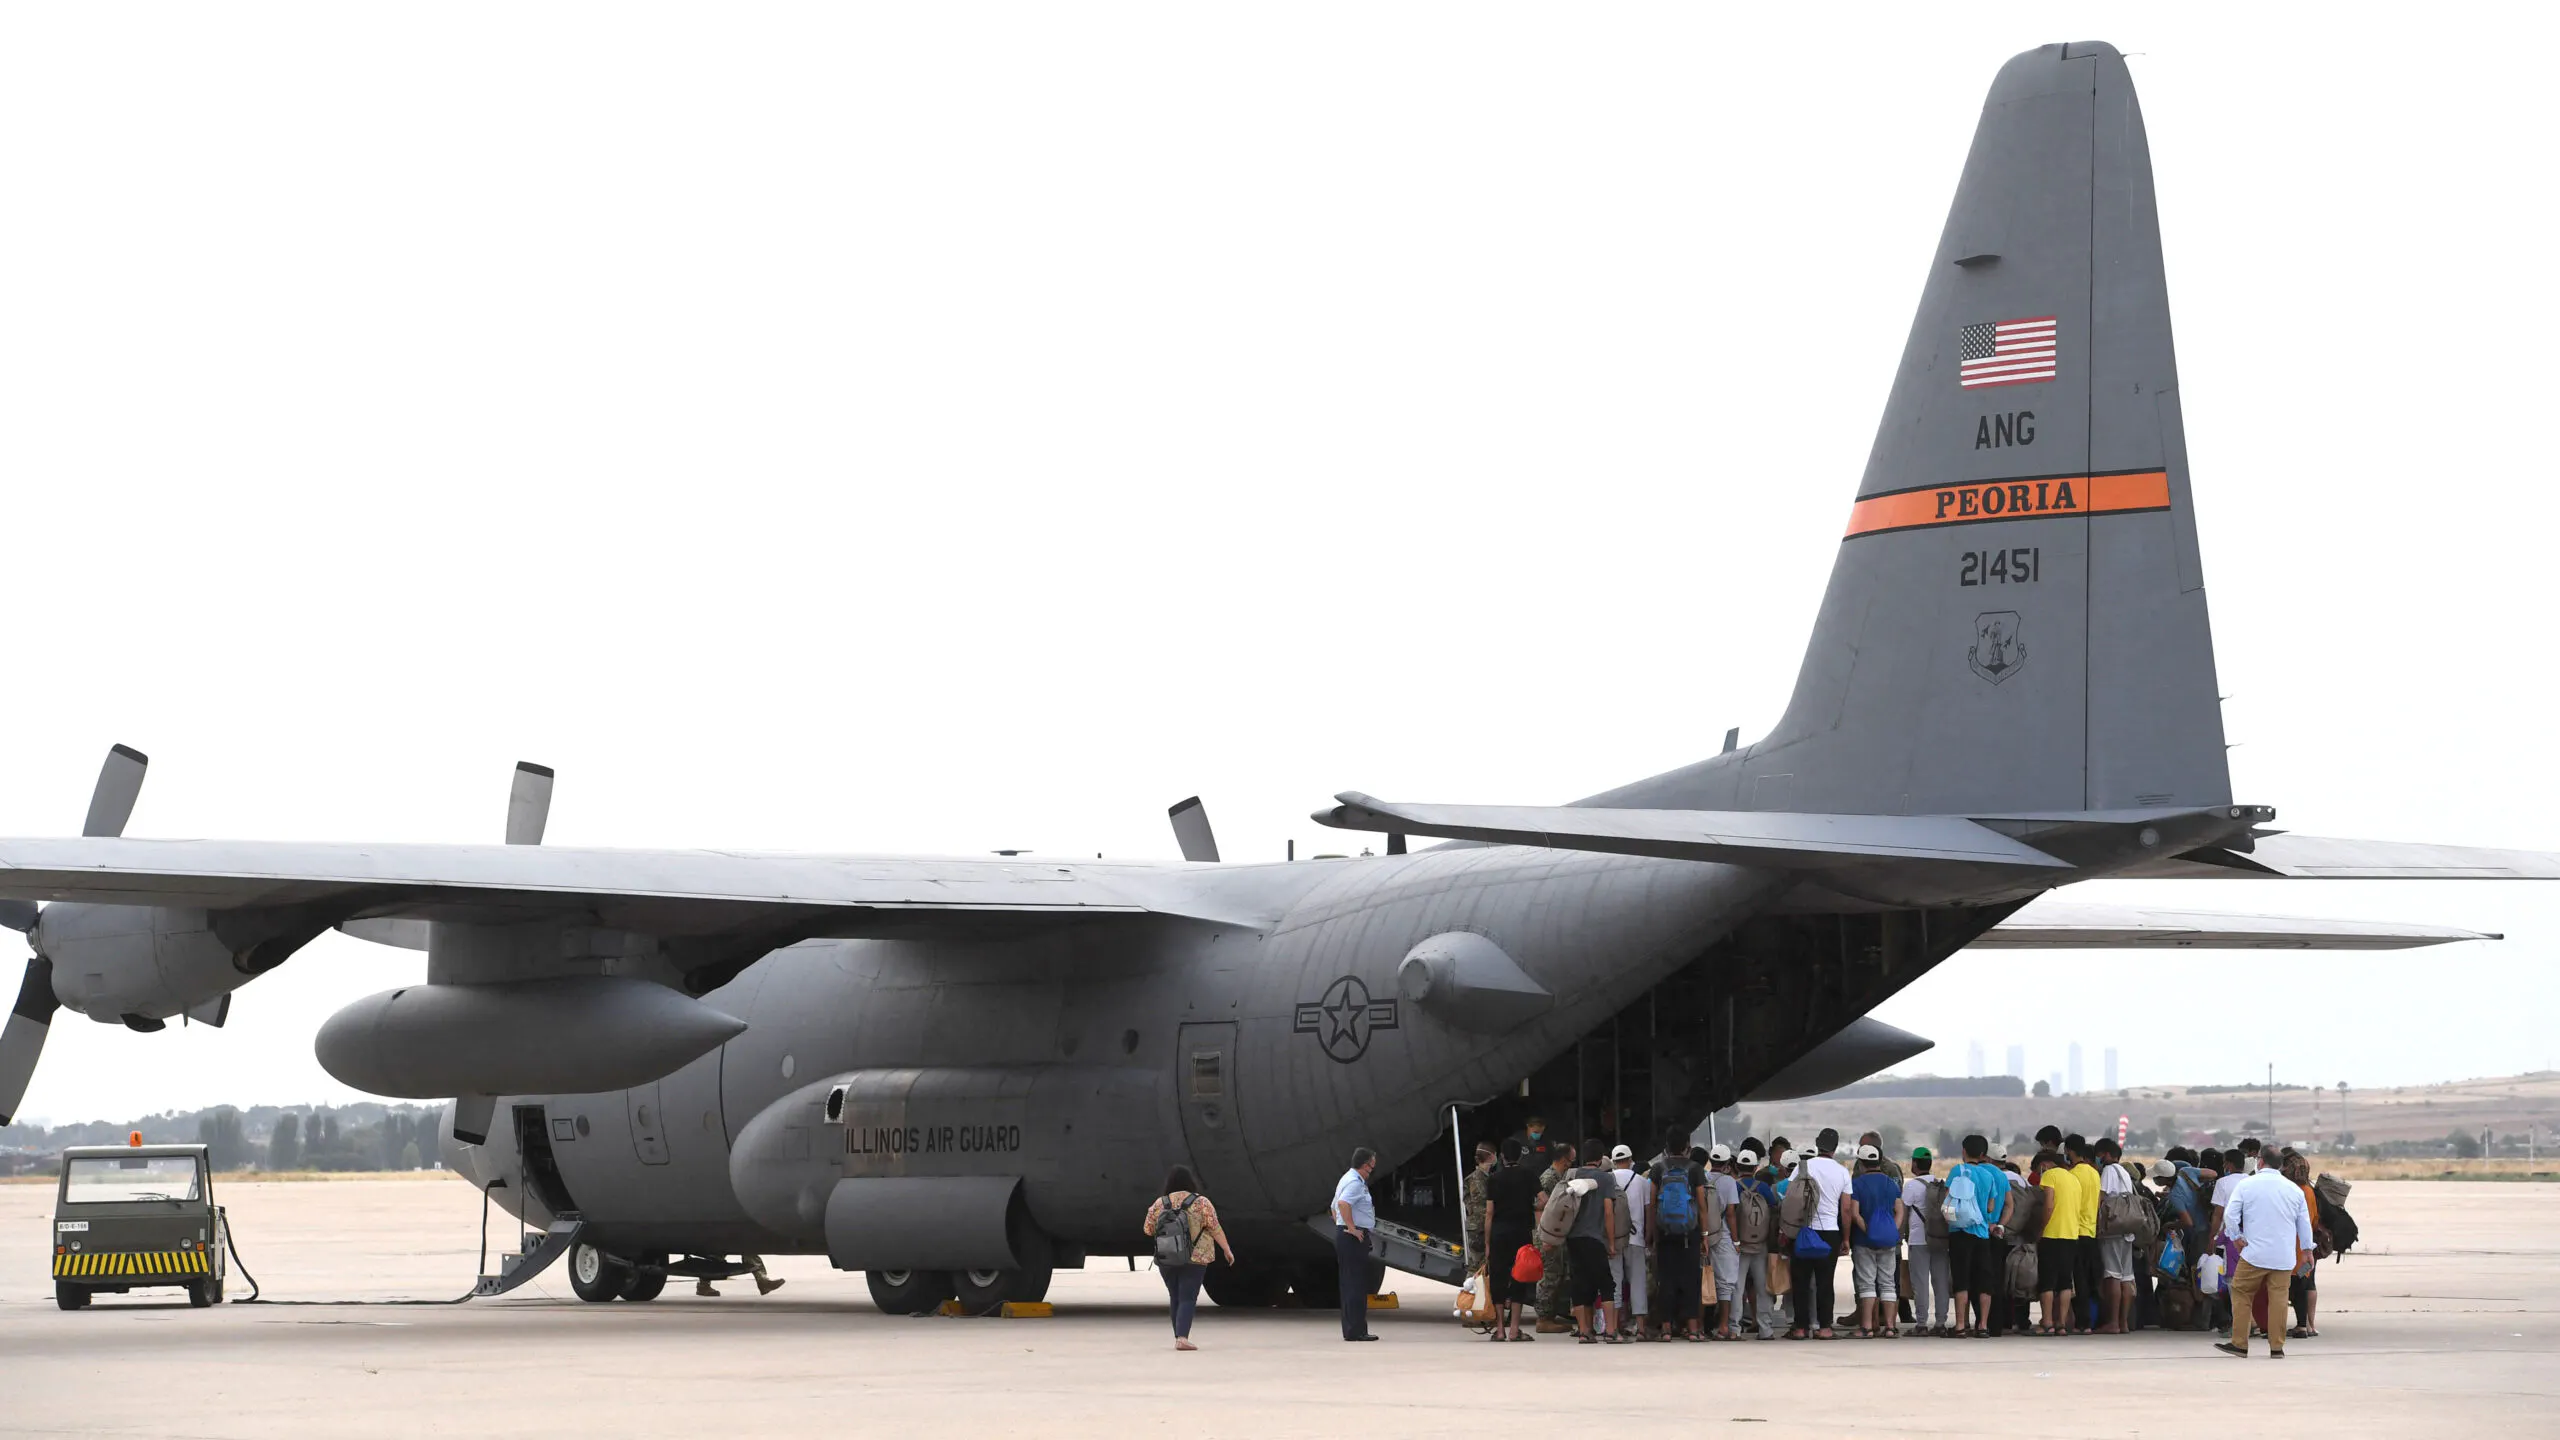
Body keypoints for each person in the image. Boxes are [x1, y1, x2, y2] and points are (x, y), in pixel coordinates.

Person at [2216, 1152, 2313, 1359]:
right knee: (2279, 1299)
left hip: (2254, 1254)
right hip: (2283, 1257)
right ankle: (2277, 1347)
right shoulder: (2294, 1190)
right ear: (2281, 1166)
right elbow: (2304, 1223)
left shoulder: (2246, 1185)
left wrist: (2235, 1237)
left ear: (2260, 1162)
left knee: (2241, 1292)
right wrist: (2307, 1250)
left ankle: (2240, 1343)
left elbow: (2230, 1215)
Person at [1143, 1165, 1235, 1350]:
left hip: (1167, 1257)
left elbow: (1148, 1229)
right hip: (1195, 1258)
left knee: (1175, 1296)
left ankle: (1179, 1336)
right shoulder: (1201, 1203)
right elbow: (1215, 1228)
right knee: (1188, 1297)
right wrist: (1227, 1250)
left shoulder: (1160, 1203)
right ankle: (1182, 1338)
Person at [1789, 1129, 1852, 1339]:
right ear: (1835, 1147)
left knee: (1801, 1281)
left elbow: (1790, 1198)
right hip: (1830, 1233)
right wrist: (1845, 1238)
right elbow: (1846, 1209)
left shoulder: (1802, 1167)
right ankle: (1825, 1327)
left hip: (1804, 1231)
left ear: (1817, 1144)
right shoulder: (1842, 1172)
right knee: (1825, 1281)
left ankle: (1800, 1327)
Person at [1647, 1127, 1708, 1341]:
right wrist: (1705, 1235)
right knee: (1690, 1280)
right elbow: (1702, 1206)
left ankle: (1666, 1328)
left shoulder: (1658, 1169)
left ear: (1666, 1146)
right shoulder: (1695, 1169)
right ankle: (1692, 1329)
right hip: (1690, 1232)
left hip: (1664, 1233)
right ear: (1687, 1147)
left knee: (1666, 1280)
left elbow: (1652, 1204)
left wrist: (1651, 1235)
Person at [1946, 1134, 2007, 1338]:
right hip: (1981, 1234)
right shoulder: (1988, 1176)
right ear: (1983, 1154)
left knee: (1961, 1280)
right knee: (1984, 1281)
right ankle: (1983, 1325)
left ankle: (1960, 1326)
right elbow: (1990, 1206)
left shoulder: (1957, 1171)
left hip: (1959, 1232)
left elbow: (1948, 1197)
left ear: (1964, 1151)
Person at [1483, 1138, 1543, 1342]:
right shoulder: (1529, 1175)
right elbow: (1543, 1199)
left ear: (1502, 1156)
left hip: (1499, 1234)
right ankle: (1514, 1330)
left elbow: (1489, 1213)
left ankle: (1499, 1330)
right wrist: (1530, 1208)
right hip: (1521, 1234)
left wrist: (1487, 1243)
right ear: (1520, 1156)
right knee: (1520, 1278)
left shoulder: (1494, 1179)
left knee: (1498, 1278)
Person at [1842, 1144, 1904, 1337]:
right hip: (1888, 1241)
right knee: (1888, 1283)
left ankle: (1867, 1327)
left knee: (1867, 1283)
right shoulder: (1891, 1184)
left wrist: (1869, 1231)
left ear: (1861, 1163)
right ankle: (1890, 1327)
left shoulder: (1857, 1184)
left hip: (1864, 1241)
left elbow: (1854, 1213)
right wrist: (1891, 1230)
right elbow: (1900, 1210)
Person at [1564, 1140, 1622, 1343]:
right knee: (1606, 1284)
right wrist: (1611, 1243)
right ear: (1600, 1158)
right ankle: (1611, 1331)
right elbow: (1608, 1212)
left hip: (1573, 1238)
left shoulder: (1572, 1174)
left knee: (1580, 1284)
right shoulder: (1605, 1178)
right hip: (1594, 1238)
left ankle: (1584, 1332)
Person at [1331, 1146, 1381, 1341]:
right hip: (1353, 1237)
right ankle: (1356, 1331)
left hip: (1346, 1235)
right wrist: (1351, 1227)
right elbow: (1343, 1204)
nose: (1371, 1171)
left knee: (1350, 1283)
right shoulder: (1355, 1183)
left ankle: (1353, 1329)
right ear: (1365, 1165)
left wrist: (1341, 1224)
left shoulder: (1346, 1178)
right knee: (1356, 1284)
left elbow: (1333, 1206)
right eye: (1371, 1167)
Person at [1904, 1147, 1951, 1335]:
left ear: (1915, 1163)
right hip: (1940, 1239)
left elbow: (1903, 1212)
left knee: (1920, 1283)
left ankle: (1921, 1323)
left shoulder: (1911, 1186)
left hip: (1918, 1239)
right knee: (1941, 1283)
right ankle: (1940, 1323)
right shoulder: (1940, 1184)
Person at [1731, 1147, 1778, 1339]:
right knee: (1763, 1288)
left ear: (1737, 1167)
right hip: (1761, 1243)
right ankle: (1766, 1329)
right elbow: (1774, 1208)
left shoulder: (1734, 1186)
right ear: (1756, 1167)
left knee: (1737, 1287)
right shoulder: (1764, 1187)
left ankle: (1734, 1328)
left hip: (1739, 1244)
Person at [2094, 1138, 2137, 1334]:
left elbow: (2101, 1197)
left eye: (2099, 1155)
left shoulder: (2109, 1171)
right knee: (2126, 1277)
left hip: (2113, 1230)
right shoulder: (2124, 1172)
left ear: (2106, 1154)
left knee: (2112, 1275)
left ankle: (2112, 1322)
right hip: (2127, 1230)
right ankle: (2123, 1322)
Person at [2032, 1151, 2078, 1335]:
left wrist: (2041, 1229)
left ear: (2044, 1164)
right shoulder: (2073, 1178)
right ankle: (2061, 1324)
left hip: (2052, 1234)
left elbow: (2049, 1205)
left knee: (2047, 1281)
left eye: (2039, 1170)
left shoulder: (2050, 1175)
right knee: (2065, 1282)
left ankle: (2047, 1322)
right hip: (2071, 1235)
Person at [1534, 1141, 1577, 1332]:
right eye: (1571, 1160)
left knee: (1557, 1275)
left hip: (1555, 1235)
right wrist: (1544, 1237)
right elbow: (1539, 1208)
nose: (1572, 1164)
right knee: (1549, 1276)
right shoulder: (1548, 1179)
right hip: (1548, 1237)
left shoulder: (1559, 1177)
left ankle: (1550, 1316)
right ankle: (1543, 1319)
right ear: (1563, 1160)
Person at [1609, 1145, 1651, 1339]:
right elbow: (1649, 1211)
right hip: (1636, 1238)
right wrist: (1648, 1236)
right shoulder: (1641, 1181)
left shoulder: (1608, 1179)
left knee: (1615, 1282)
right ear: (1630, 1159)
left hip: (1614, 1239)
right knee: (1638, 1282)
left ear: (1613, 1161)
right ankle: (1641, 1329)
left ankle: (1615, 1327)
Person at [1705, 1145, 1744, 1339]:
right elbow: (1730, 1214)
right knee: (1726, 1283)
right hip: (1724, 1235)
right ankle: (1724, 1326)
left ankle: (1701, 1325)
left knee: (1704, 1279)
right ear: (1728, 1163)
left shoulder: (1703, 1178)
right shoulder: (1729, 1182)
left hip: (1705, 1235)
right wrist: (1736, 1241)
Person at [2283, 1154, 2323, 1340]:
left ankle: (2299, 1325)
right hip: (2306, 1250)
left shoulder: (2290, 1191)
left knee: (2291, 1288)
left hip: (2291, 1249)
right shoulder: (2309, 1191)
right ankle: (2304, 1325)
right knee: (2303, 1285)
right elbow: (2313, 1220)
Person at [2066, 1135, 2102, 1333]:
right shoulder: (2095, 1174)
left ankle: (2082, 1322)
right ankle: (2091, 1321)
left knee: (2078, 1281)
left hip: (2076, 1231)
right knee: (2090, 1280)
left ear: (2069, 1151)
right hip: (2091, 1231)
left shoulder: (2072, 1175)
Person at [1461, 1141, 1496, 1274]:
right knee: (1478, 1266)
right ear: (1491, 1157)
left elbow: (1467, 1200)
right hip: (1481, 1228)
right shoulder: (1480, 1179)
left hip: (1477, 1226)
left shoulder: (1475, 1178)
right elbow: (1484, 1206)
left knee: (1478, 1264)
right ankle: (1471, 1287)